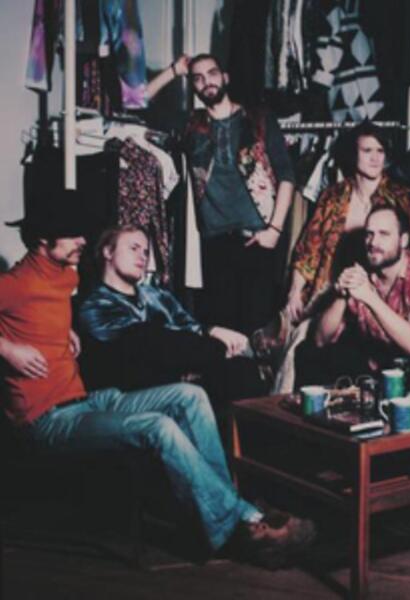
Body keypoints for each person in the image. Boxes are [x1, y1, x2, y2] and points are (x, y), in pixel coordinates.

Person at [0, 190, 315, 568]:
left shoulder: (67, 275)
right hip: (47, 419)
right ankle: (242, 523)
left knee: (190, 395)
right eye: (71, 234)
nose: (82, 240)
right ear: (42, 239)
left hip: (87, 400)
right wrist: (8, 349)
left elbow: (44, 313)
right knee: (158, 427)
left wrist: (63, 331)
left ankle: (225, 517)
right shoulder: (16, 283)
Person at [263, 121, 410, 392]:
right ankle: (281, 408)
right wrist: (296, 290)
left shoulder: (406, 199)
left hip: (382, 300)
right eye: (367, 150)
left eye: (380, 151)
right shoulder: (333, 197)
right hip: (333, 294)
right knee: (301, 344)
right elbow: (310, 246)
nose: (375, 158)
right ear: (353, 155)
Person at [150, 53, 296, 336]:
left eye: (212, 73)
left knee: (259, 330)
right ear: (193, 86)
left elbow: (287, 176)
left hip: (258, 238)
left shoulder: (258, 119)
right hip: (215, 243)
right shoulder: (192, 126)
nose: (207, 82)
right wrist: (174, 70)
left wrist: (275, 230)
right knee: (223, 332)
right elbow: (136, 101)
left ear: (225, 77)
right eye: (198, 78)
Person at [77, 225, 266, 403]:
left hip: (186, 369)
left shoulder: (157, 295)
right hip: (139, 387)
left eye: (145, 252)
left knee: (242, 371)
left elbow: (189, 328)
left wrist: (212, 331)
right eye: (133, 248)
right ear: (108, 252)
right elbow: (148, 344)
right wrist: (216, 349)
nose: (142, 257)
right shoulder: (94, 303)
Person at [295, 205, 410, 389]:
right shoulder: (364, 272)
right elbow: (320, 340)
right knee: (307, 353)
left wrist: (370, 297)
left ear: (403, 240)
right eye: (369, 234)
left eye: (384, 234)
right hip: (378, 370)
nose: (373, 242)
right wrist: (342, 295)